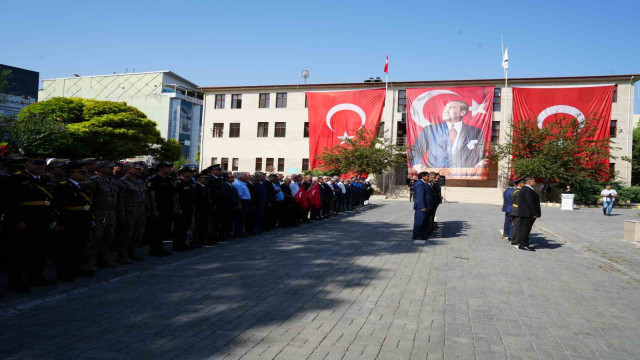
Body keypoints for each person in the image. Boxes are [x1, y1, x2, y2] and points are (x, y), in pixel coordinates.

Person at [2, 153, 56, 292]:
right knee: (19, 253)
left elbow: (49, 202)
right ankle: (16, 282)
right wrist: (18, 220)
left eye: (42, 164)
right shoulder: (16, 179)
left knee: (39, 251)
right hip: (25, 220)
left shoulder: (45, 179)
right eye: (35, 164)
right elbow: (11, 202)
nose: (39, 167)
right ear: (27, 164)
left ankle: (35, 277)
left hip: (42, 220)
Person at [410, 100, 487, 171]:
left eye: (451, 108)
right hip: (434, 175)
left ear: (462, 112)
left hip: (464, 176)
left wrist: (481, 162)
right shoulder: (429, 130)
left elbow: (481, 152)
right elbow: (416, 150)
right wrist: (417, 163)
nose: (446, 110)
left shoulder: (475, 132)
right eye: (445, 108)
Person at [52, 161, 94, 281]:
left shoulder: (84, 186)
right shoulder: (63, 187)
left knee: (80, 246)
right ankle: (65, 272)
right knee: (67, 248)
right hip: (70, 220)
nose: (83, 174)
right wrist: (60, 223)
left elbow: (88, 204)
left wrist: (91, 219)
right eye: (80, 172)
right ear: (71, 173)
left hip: (83, 219)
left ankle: (76, 268)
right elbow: (58, 206)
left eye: (85, 172)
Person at [84, 160, 119, 268]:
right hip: (98, 213)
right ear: (100, 169)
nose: (112, 169)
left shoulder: (112, 180)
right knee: (94, 238)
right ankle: (89, 263)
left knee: (108, 237)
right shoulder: (93, 181)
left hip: (111, 213)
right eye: (109, 167)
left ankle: (103, 259)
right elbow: (88, 199)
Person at [116, 162, 149, 262]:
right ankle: (122, 255)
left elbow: (145, 196)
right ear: (128, 169)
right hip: (129, 211)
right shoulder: (122, 182)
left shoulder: (140, 181)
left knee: (138, 233)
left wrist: (147, 208)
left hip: (140, 210)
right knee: (126, 234)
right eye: (136, 169)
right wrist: (121, 213)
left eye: (139, 169)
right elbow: (120, 199)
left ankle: (133, 252)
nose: (139, 171)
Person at [147, 162, 177, 256]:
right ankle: (154, 249)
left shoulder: (169, 179)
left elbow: (173, 193)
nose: (169, 169)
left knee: (164, 228)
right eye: (167, 167)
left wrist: (175, 206)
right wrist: (154, 209)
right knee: (156, 229)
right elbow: (152, 195)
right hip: (159, 207)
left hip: (168, 207)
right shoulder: (154, 180)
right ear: (160, 169)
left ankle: (160, 248)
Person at [515, 178, 541, 251]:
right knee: (526, 229)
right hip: (528, 214)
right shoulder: (527, 190)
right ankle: (524, 244)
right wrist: (534, 213)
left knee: (524, 229)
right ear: (529, 182)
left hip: (526, 213)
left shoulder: (525, 189)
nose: (535, 182)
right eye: (534, 181)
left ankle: (522, 243)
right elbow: (530, 203)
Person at [193, 173, 211, 246]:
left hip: (206, 209)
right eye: (204, 178)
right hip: (199, 209)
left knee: (204, 225)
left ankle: (203, 239)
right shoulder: (196, 187)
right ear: (199, 179)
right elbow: (195, 200)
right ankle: (197, 240)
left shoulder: (205, 187)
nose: (206, 179)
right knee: (198, 226)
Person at [232, 172, 252, 237]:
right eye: (245, 177)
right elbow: (239, 195)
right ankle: (237, 232)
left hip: (246, 201)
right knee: (240, 218)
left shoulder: (244, 184)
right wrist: (239, 204)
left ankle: (240, 231)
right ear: (241, 178)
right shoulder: (238, 184)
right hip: (242, 202)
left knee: (243, 218)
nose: (247, 178)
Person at [509, 178, 525, 245]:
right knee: (517, 226)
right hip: (518, 211)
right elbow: (520, 203)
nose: (524, 184)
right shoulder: (518, 192)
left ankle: (515, 239)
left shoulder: (515, 191)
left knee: (516, 226)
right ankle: (515, 240)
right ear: (520, 184)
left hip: (515, 210)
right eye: (523, 183)